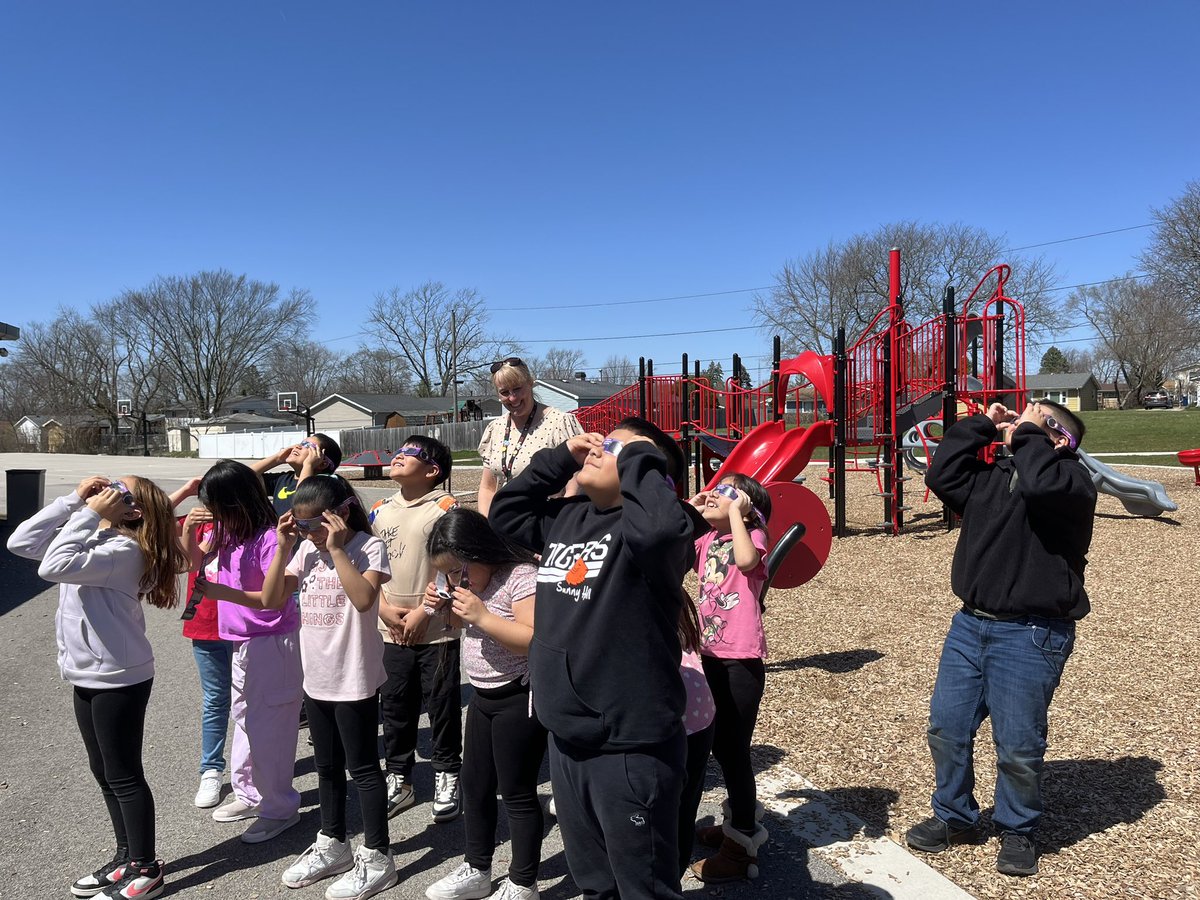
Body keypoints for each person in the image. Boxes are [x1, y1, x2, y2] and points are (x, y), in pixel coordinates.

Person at [490, 416, 694, 900]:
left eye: (618, 450)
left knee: (643, 888)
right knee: (595, 884)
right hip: (567, 738)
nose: (601, 449)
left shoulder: (654, 537)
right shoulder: (569, 518)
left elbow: (663, 529)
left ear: (650, 476)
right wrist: (560, 457)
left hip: (628, 747)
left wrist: (642, 459)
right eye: (604, 442)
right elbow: (505, 514)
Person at [905, 399, 1097, 877]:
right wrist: (982, 425)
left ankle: (1018, 829)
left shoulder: (1071, 483)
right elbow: (942, 476)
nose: (1019, 419)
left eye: (1033, 416)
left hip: (1032, 634)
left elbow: (1038, 481)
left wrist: (1030, 435)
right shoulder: (994, 477)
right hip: (970, 625)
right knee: (946, 728)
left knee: (1017, 745)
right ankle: (956, 818)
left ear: (1058, 438)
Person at [7, 475, 187, 900]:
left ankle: (146, 866)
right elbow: (20, 543)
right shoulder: (96, 541)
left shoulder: (122, 551)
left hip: (118, 677)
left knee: (124, 775)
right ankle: (126, 855)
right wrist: (73, 501)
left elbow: (50, 566)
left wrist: (88, 514)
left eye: (118, 494)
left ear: (133, 512)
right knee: (104, 771)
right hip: (90, 672)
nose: (104, 495)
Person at [245, 475, 397, 899]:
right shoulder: (304, 554)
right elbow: (273, 598)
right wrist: (283, 546)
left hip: (355, 678)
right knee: (327, 768)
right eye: (301, 526)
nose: (307, 534)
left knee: (363, 768)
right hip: (317, 677)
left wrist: (333, 548)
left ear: (341, 514)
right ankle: (333, 842)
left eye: (313, 526)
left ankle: (379, 856)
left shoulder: (367, 548)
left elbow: (364, 599)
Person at [422, 508, 545, 900]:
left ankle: (524, 881)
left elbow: (532, 639)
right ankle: (476, 868)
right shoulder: (472, 582)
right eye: (447, 574)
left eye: (460, 571)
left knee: (518, 792)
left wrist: (481, 614)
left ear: (481, 551)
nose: (456, 580)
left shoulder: (519, 576)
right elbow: (466, 627)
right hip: (482, 695)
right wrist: (446, 610)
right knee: (475, 787)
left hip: (518, 695)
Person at [186, 459, 303, 844]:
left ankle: (280, 807)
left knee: (270, 728)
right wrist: (188, 531)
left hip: (272, 642)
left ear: (235, 504)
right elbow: (192, 561)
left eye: (216, 507)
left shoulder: (271, 539)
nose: (212, 516)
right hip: (241, 642)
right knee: (245, 720)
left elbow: (273, 600)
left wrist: (222, 593)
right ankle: (250, 793)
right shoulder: (228, 534)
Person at [368, 435, 464, 823]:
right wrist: (384, 608)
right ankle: (400, 777)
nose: (398, 455)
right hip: (390, 625)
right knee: (394, 706)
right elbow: (366, 567)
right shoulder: (378, 510)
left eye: (410, 454)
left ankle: (447, 773)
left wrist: (426, 610)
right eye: (399, 450)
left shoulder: (443, 507)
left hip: (435, 627)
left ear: (432, 471)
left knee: (441, 705)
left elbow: (456, 566)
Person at [685, 473, 772, 881]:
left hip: (741, 661)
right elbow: (673, 545)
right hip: (707, 656)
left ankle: (741, 845)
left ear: (747, 507)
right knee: (717, 746)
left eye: (727, 490)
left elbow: (746, 562)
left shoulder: (753, 536)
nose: (716, 493)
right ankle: (737, 822)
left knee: (733, 751)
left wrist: (739, 514)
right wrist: (692, 507)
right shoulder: (707, 540)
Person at [169, 477, 231, 810]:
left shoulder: (246, 523)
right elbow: (188, 562)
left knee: (251, 700)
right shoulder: (193, 523)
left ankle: (256, 767)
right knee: (215, 700)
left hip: (245, 625)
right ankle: (211, 770)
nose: (210, 506)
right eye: (206, 498)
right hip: (205, 623)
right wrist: (186, 493)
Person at [476, 358, 582, 516]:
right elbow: (487, 487)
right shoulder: (495, 428)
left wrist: (562, 525)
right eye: (504, 392)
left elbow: (576, 483)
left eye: (517, 389)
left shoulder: (560, 423)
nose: (512, 398)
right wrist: (487, 524)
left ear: (531, 383)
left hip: (547, 524)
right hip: (504, 524)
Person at [252, 433, 343, 518]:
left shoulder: (323, 484)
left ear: (322, 463)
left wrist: (308, 465)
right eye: (301, 443)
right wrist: (277, 458)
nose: (298, 446)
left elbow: (302, 500)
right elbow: (244, 476)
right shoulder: (283, 479)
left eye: (307, 445)